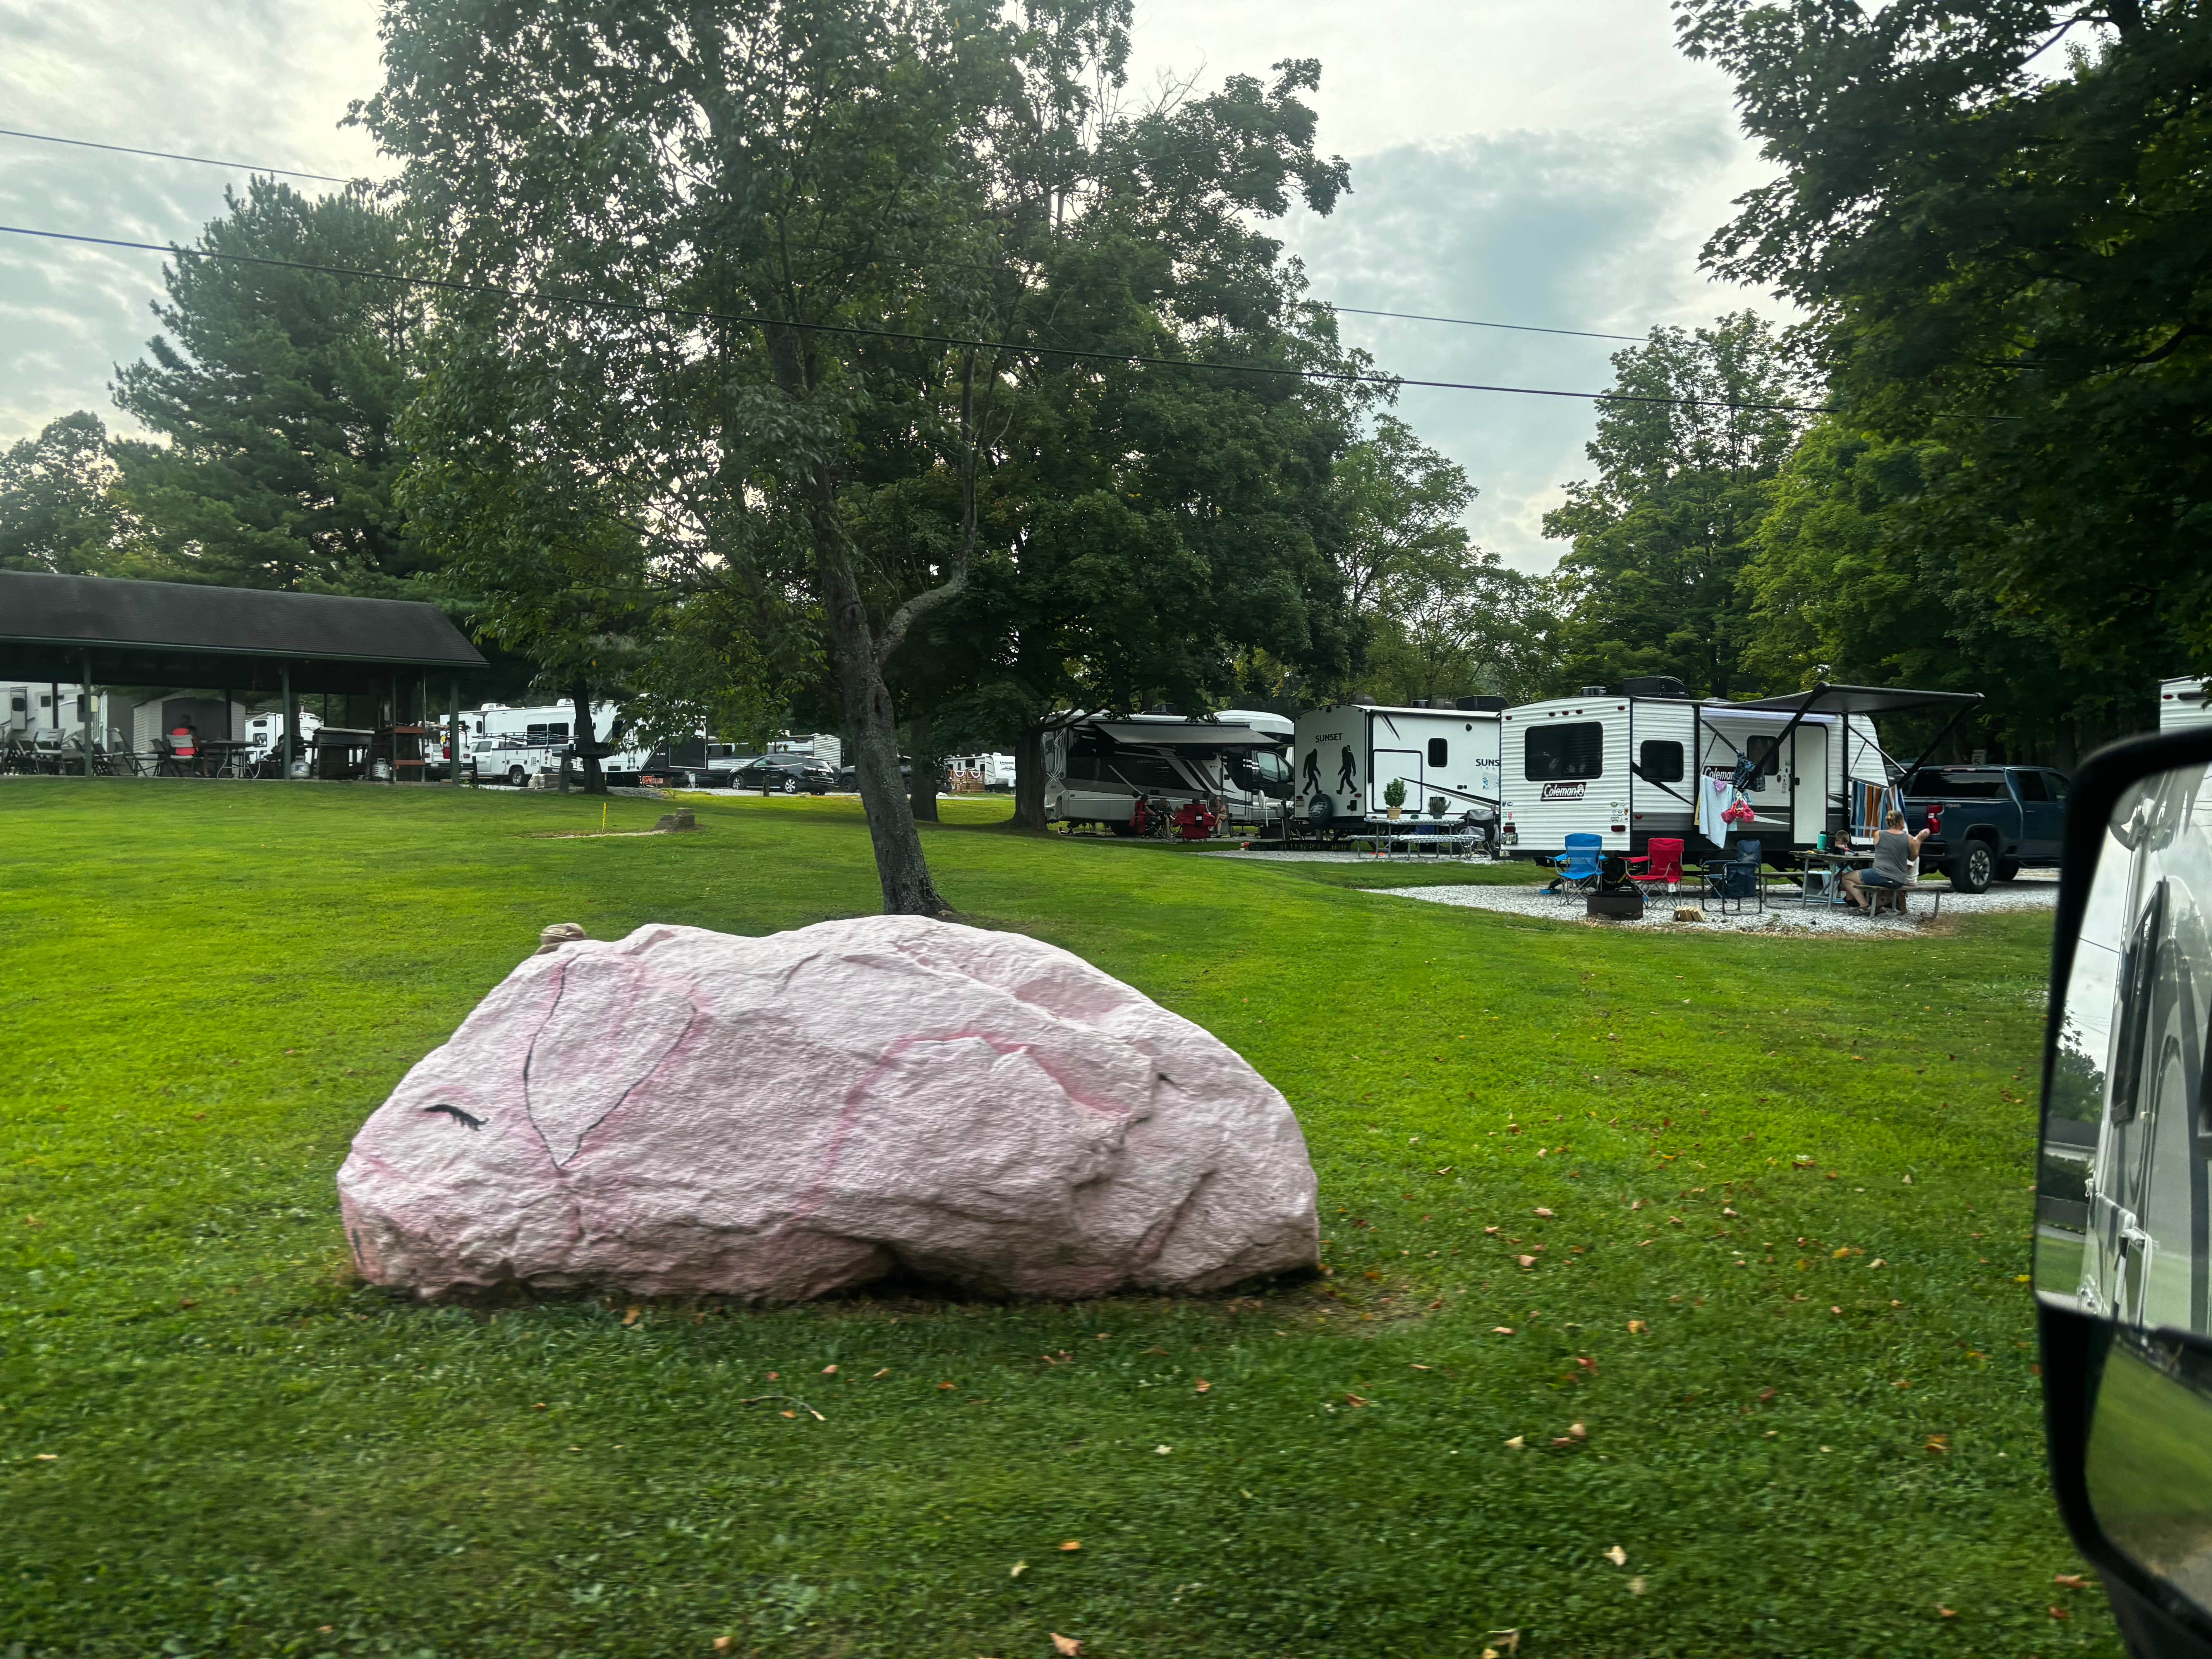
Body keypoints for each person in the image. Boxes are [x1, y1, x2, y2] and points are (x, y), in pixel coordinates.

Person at [1841, 809, 1929, 914]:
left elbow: (1879, 846)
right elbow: (1912, 859)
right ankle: (1878, 906)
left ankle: (1864, 905)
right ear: (1902, 822)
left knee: (1846, 877)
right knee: (1872, 876)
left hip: (1881, 875)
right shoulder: (1909, 839)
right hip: (1900, 880)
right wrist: (1918, 841)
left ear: (1887, 822)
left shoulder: (1879, 834)